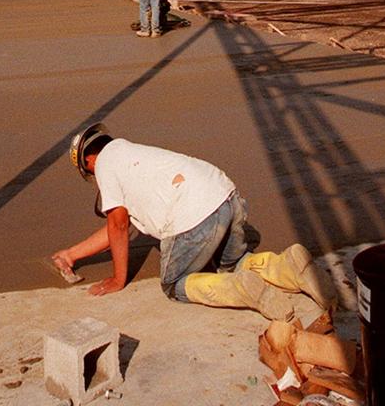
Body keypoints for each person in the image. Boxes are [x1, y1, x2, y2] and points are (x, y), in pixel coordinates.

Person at [52, 125, 335, 321]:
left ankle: (241, 289)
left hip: (194, 211)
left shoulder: (105, 165)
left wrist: (117, 279)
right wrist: (71, 254)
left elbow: (118, 226)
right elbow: (121, 226)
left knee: (174, 285)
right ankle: (289, 266)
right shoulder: (133, 155)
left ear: (89, 160)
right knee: (232, 261)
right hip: (224, 194)